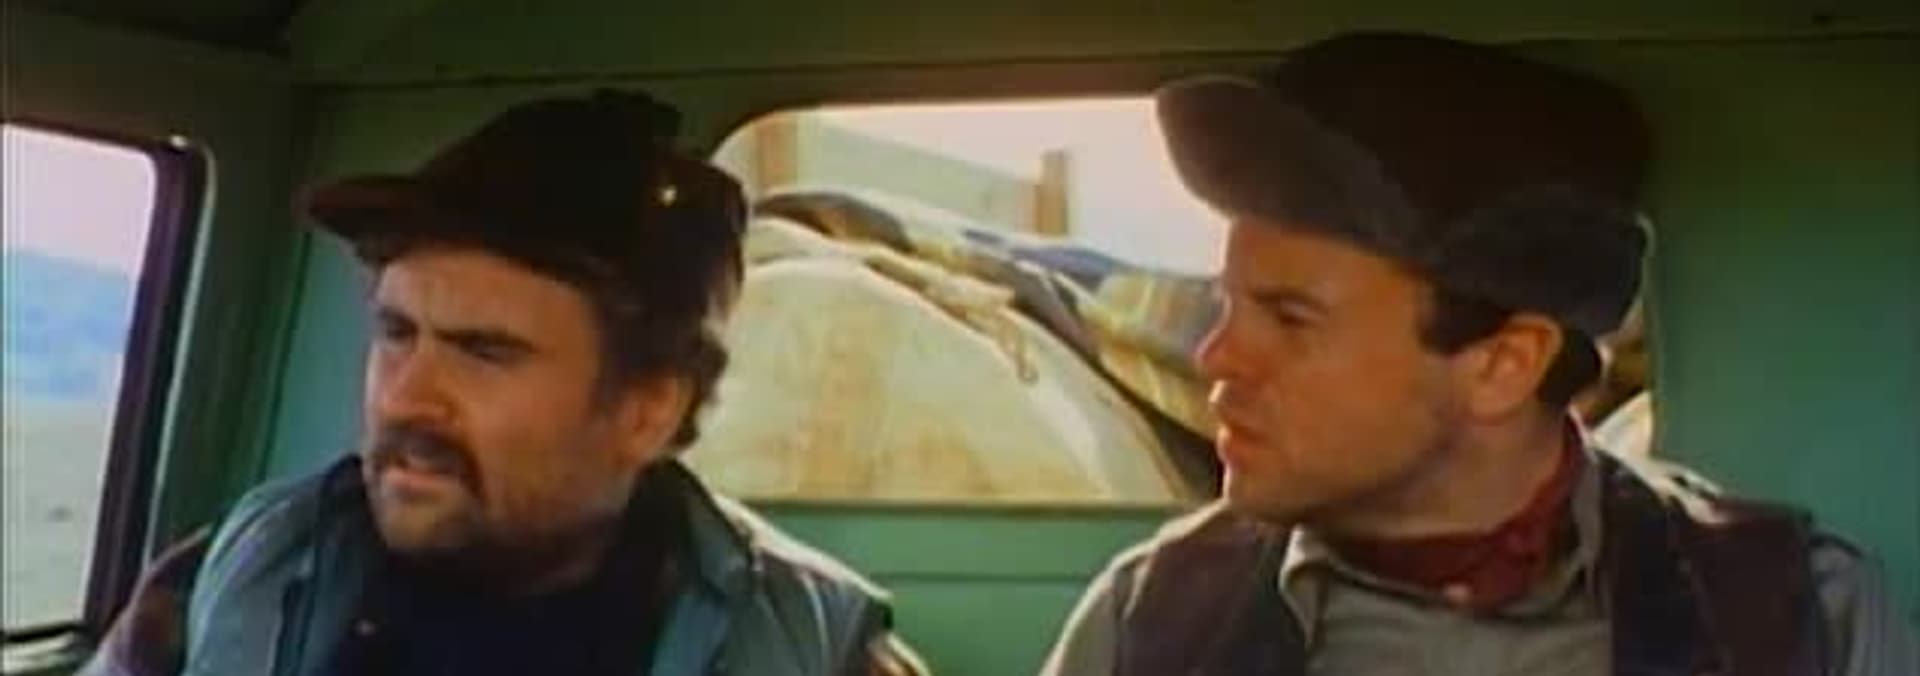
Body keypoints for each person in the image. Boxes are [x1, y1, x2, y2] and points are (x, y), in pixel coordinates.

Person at [1041, 32, 1918, 676]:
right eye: (1229, 303)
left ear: (1504, 366)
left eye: (1292, 319)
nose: (1216, 356)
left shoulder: (1797, 617)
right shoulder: (1151, 624)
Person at [82, 90, 924, 676]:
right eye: (397, 334)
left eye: (484, 352)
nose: (404, 398)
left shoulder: (809, 649)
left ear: (647, 410)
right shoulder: (245, 568)